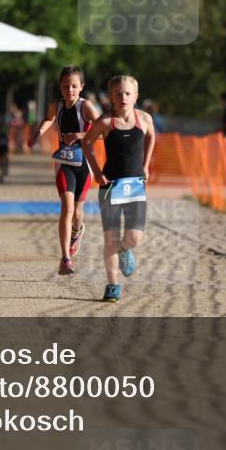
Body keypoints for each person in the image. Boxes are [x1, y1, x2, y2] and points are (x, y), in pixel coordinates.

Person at [83, 74, 156, 303]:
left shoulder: (144, 119)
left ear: (135, 96)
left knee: (134, 237)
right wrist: (96, 171)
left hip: (135, 187)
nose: (123, 97)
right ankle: (112, 285)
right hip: (110, 186)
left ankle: (126, 249)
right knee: (110, 239)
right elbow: (86, 143)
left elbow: (151, 137)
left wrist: (145, 165)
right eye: (118, 94)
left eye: (127, 93)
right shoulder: (105, 122)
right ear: (111, 98)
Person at [29, 66, 100, 275]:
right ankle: (65, 259)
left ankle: (77, 232)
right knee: (67, 208)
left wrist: (79, 136)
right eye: (65, 86)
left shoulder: (86, 107)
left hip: (83, 164)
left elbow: (103, 131)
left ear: (81, 87)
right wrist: (38, 133)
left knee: (78, 212)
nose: (70, 90)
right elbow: (49, 118)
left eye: (74, 86)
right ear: (60, 87)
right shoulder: (57, 105)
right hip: (63, 163)